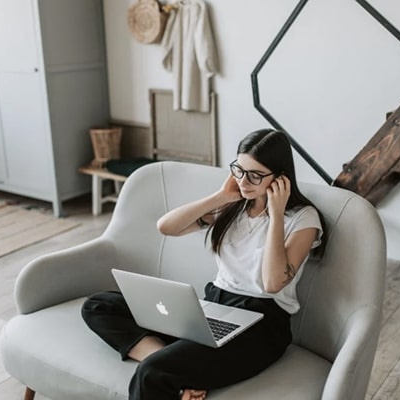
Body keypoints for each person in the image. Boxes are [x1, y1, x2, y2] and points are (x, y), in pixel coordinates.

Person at [81, 128, 326, 400]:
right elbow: (166, 227)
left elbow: (271, 282)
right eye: (239, 170)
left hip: (262, 326)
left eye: (255, 175)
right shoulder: (234, 207)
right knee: (98, 305)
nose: (244, 181)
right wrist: (221, 197)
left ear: (280, 178)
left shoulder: (303, 219)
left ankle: (167, 367)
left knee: (152, 373)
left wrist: (276, 213)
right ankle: (168, 362)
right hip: (213, 307)